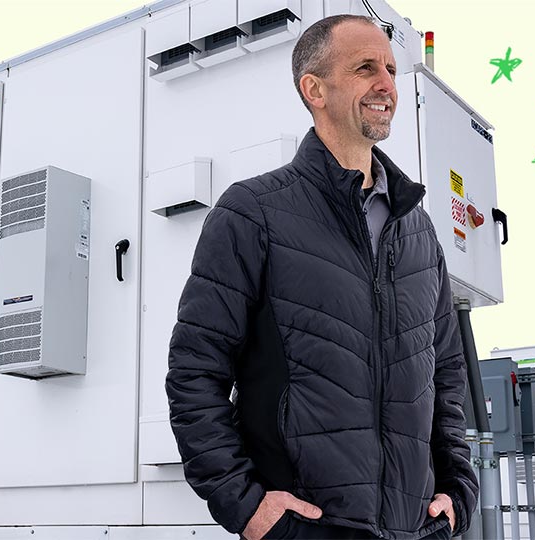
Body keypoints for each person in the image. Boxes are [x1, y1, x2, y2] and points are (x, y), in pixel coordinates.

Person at [164, 14, 478, 540]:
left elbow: (446, 377)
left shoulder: (418, 230)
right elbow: (195, 373)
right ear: (315, 89)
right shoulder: (253, 212)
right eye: (365, 68)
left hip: (416, 530)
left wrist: (457, 490)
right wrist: (245, 505)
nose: (386, 85)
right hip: (307, 530)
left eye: (392, 70)